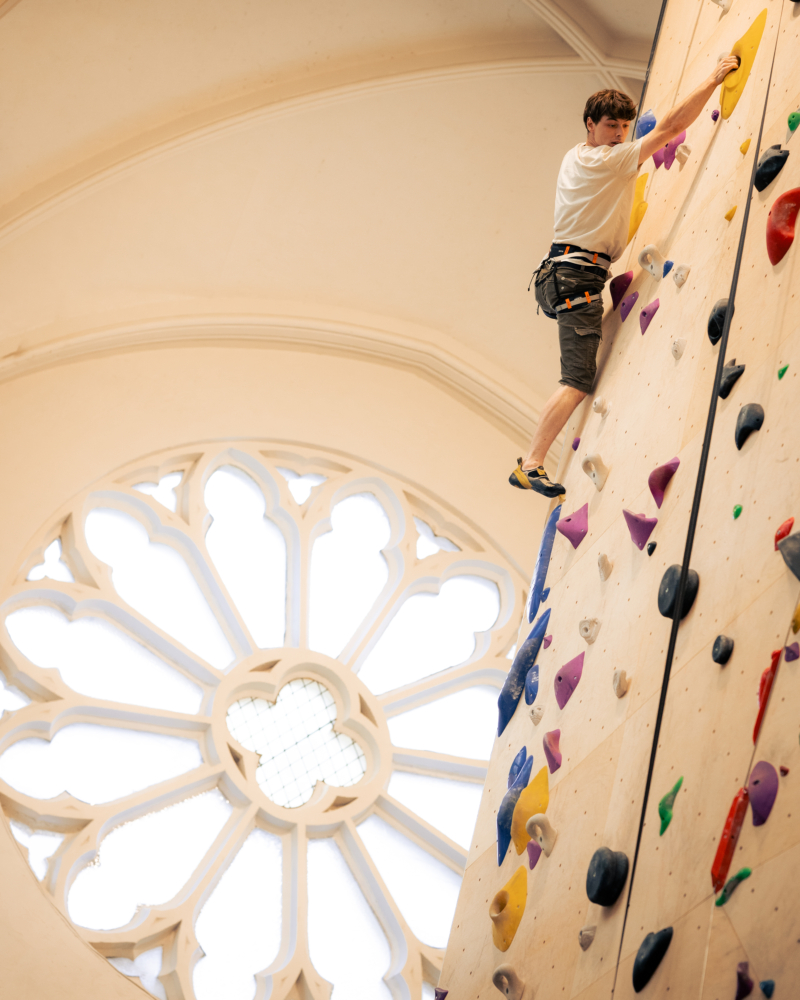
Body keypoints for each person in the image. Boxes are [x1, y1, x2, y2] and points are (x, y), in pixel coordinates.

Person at [510, 55, 741, 498]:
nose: (618, 135)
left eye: (622, 127)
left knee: (575, 375)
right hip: (576, 277)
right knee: (576, 381)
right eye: (610, 126)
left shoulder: (577, 156)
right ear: (590, 126)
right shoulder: (605, 161)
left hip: (562, 271)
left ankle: (533, 460)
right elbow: (671, 128)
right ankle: (532, 463)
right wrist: (713, 78)